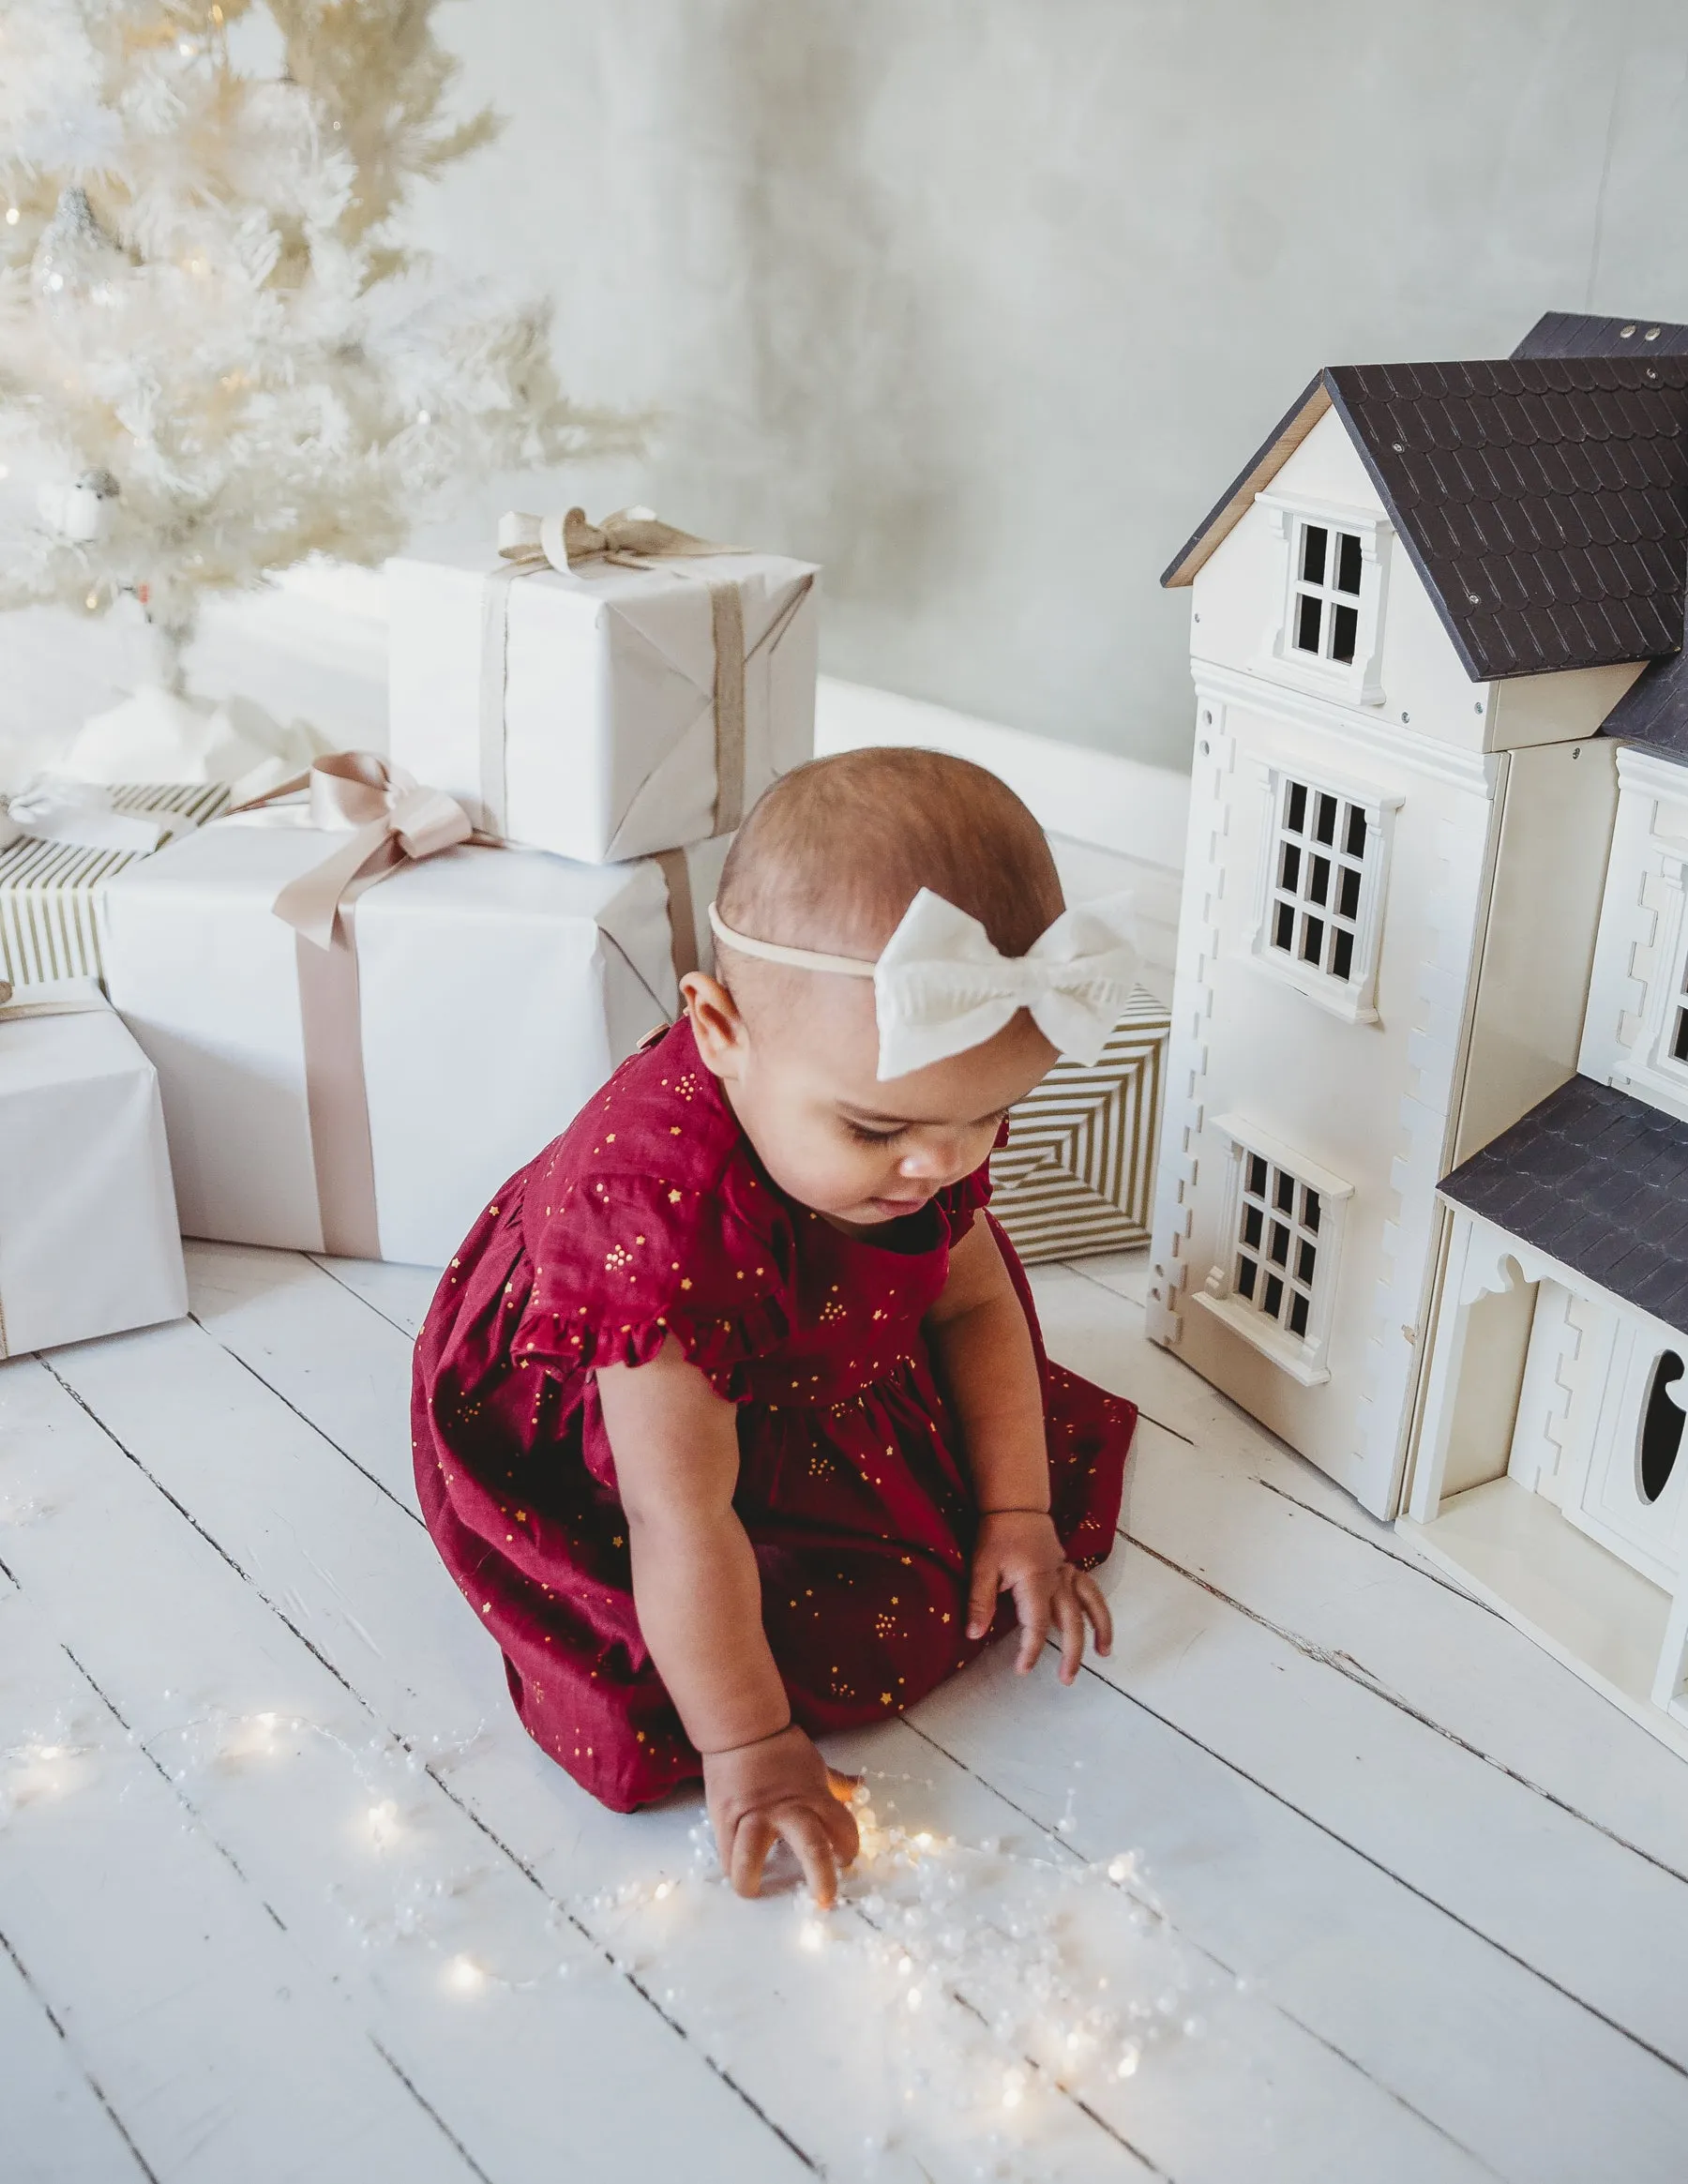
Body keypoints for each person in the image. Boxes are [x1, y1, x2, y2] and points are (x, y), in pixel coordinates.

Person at [413, 746, 1138, 1906]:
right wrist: (747, 1743)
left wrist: (1019, 1510)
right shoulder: (661, 1228)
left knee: (957, 1487)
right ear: (718, 1028)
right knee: (728, 1624)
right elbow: (678, 1511)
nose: (945, 1164)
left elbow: (971, 1294)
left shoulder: (919, 1134)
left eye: (989, 1116)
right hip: (646, 1397)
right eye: (877, 1127)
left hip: (808, 1308)